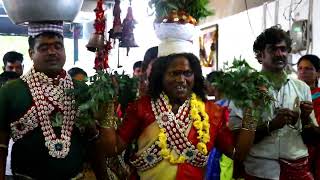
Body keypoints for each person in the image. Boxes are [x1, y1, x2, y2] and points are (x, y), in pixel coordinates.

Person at [94, 53, 257, 180]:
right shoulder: (142, 107)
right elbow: (112, 149)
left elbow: (237, 154)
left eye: (187, 73)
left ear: (195, 76)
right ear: (161, 77)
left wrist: (252, 112)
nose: (181, 79)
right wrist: (108, 105)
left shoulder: (211, 111)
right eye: (174, 73)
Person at [0, 21, 88, 180]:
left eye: (57, 46)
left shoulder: (81, 90)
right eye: (44, 48)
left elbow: (93, 143)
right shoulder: (10, 91)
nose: (52, 52)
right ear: (31, 53)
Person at [229, 26, 316, 180]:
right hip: (260, 171)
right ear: (260, 55)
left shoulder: (302, 88)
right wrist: (272, 125)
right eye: (273, 49)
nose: (279, 54)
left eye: (283, 49)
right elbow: (237, 140)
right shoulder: (246, 89)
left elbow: (311, 139)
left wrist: (305, 119)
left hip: (298, 169)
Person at [297, 54, 320, 179]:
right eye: (299, 68)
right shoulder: (291, 96)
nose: (302, 72)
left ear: (318, 73)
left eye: (308, 68)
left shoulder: (318, 97)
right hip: (295, 155)